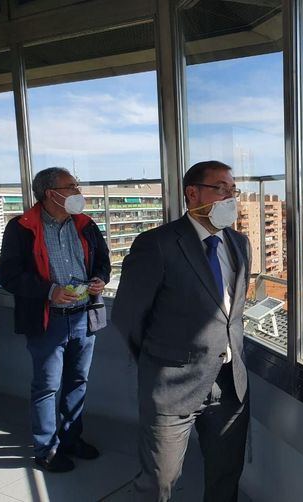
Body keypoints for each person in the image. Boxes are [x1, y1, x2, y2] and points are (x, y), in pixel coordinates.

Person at [112, 160, 251, 502]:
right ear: (193, 193)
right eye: (221, 188)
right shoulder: (156, 244)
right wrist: (162, 360)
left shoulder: (240, 243)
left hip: (229, 384)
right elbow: (128, 315)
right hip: (171, 387)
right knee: (160, 482)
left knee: (225, 474)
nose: (229, 197)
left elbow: (230, 314)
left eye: (232, 190)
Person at [0, 167, 110, 473]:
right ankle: (46, 449)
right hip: (47, 319)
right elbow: (8, 275)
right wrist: (50, 291)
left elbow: (102, 261)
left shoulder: (86, 225)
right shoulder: (21, 228)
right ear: (51, 194)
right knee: (47, 386)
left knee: (77, 381)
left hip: (83, 317)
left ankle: (72, 438)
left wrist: (99, 279)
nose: (78, 191)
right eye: (71, 186)